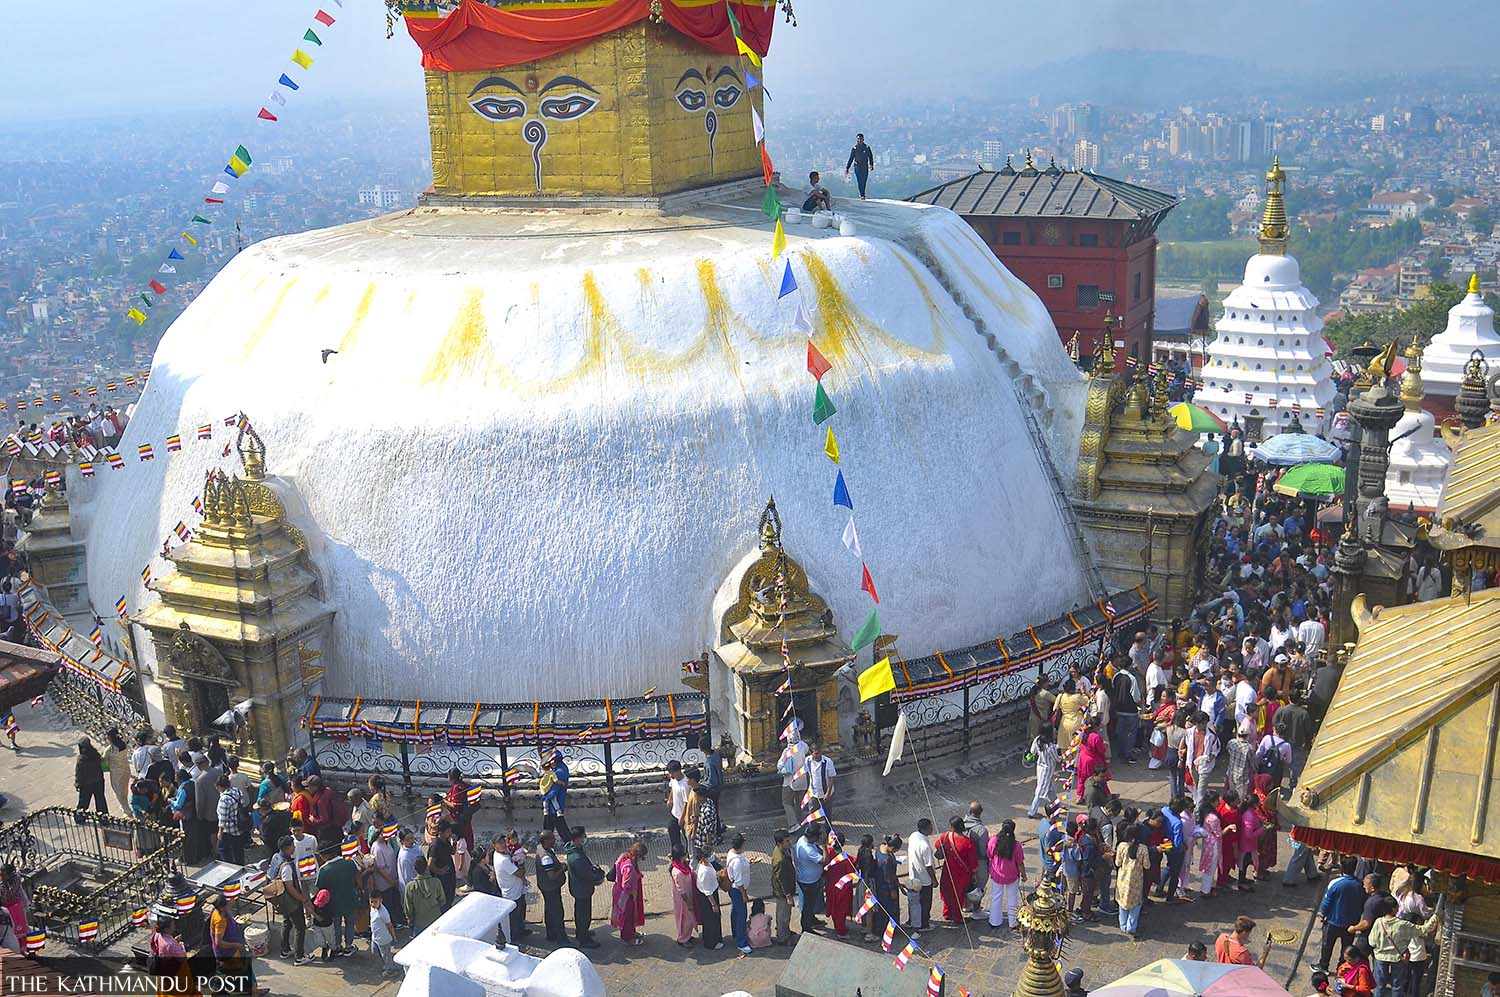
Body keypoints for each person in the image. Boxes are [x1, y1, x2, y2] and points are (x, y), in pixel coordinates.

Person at [209, 893, 266, 996]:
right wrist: (237, 946)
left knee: (222, 972)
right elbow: (219, 942)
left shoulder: (219, 912)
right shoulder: (220, 920)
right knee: (245, 971)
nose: (231, 904)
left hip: (224, 953)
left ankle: (218, 991)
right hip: (229, 952)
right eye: (229, 904)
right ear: (223, 907)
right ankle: (253, 992)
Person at [268, 835, 312, 965]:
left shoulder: (276, 857)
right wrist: (303, 899)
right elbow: (290, 887)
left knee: (287, 922)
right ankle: (299, 956)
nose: (294, 847)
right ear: (287, 848)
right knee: (300, 927)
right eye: (293, 846)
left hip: (281, 899)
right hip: (290, 901)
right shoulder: (286, 866)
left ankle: (285, 949)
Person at [1317, 857, 1366, 974]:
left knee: (1327, 945)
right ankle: (1342, 967)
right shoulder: (1360, 885)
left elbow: (1327, 901)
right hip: (1351, 923)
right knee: (1346, 947)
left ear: (1341, 868)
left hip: (1333, 921)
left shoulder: (1335, 883)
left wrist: (1322, 914)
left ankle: (1324, 966)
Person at [564, 825, 606, 948]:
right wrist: (598, 873)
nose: (585, 838)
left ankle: (581, 932)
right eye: (583, 836)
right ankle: (584, 939)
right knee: (584, 915)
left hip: (578, 888)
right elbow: (588, 875)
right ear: (577, 838)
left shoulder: (574, 849)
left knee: (580, 912)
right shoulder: (577, 858)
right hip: (582, 889)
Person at [315, 845, 359, 958]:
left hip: (334, 905)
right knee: (350, 924)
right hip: (350, 900)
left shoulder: (324, 870)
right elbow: (357, 879)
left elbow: (320, 889)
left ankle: (338, 947)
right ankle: (349, 946)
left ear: (324, 855)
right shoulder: (350, 862)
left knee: (337, 926)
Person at [935, 816, 977, 924]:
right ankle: (957, 917)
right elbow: (973, 862)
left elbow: (937, 845)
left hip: (948, 871)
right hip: (962, 875)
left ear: (952, 827)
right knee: (959, 895)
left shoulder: (945, 836)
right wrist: (974, 874)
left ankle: (947, 913)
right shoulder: (968, 842)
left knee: (947, 892)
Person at [986, 819, 1025, 931]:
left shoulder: (994, 840)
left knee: (996, 897)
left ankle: (995, 921)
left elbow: (989, 854)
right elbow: (1020, 863)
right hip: (1012, 875)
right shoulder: (1016, 845)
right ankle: (1012, 922)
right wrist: (1024, 875)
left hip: (997, 873)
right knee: (1012, 898)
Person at [494, 830, 529, 943]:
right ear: (494, 845)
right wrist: (522, 864)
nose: (503, 844)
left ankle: (521, 931)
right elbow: (519, 873)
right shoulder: (503, 860)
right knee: (514, 919)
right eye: (499, 843)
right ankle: (515, 941)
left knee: (520, 915)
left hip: (517, 890)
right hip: (512, 894)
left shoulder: (503, 853)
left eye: (503, 841)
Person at [610, 840, 647, 946]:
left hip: (620, 892)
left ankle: (632, 932)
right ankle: (627, 938)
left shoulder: (624, 856)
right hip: (626, 896)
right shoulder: (629, 867)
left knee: (630, 915)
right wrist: (633, 893)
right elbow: (625, 885)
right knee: (627, 917)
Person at [535, 829, 567, 944]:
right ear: (546, 841)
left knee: (549, 910)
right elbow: (552, 876)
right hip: (551, 887)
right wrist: (562, 868)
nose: (554, 840)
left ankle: (551, 934)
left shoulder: (540, 848)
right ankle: (561, 938)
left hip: (544, 886)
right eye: (552, 838)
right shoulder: (546, 857)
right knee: (557, 912)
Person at [905, 818, 936, 936]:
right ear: (926, 828)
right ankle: (923, 924)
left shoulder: (913, 836)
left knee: (913, 902)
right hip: (924, 880)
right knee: (925, 903)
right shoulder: (925, 845)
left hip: (914, 877)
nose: (932, 829)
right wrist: (934, 880)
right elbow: (928, 866)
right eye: (930, 827)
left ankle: (911, 920)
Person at [402, 857, 446, 939]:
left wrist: (410, 919)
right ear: (426, 867)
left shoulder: (410, 887)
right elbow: (442, 901)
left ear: (415, 869)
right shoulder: (436, 882)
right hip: (436, 919)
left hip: (419, 923)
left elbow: (408, 908)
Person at [794, 824, 826, 933]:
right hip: (809, 881)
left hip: (805, 877)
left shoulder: (802, 840)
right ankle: (806, 927)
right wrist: (824, 845)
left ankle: (811, 920)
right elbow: (825, 860)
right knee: (808, 905)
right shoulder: (808, 850)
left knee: (810, 904)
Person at [1115, 829, 1146, 938]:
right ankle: (1131, 927)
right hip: (1136, 881)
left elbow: (1117, 862)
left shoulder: (1121, 846)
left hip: (1123, 880)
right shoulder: (1143, 848)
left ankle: (1123, 925)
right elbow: (1147, 865)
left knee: (1122, 902)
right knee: (1136, 904)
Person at [823, 832, 856, 938]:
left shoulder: (828, 854)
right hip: (843, 889)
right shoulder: (847, 860)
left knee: (834, 910)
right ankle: (840, 932)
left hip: (830, 887)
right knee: (842, 911)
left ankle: (838, 927)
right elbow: (853, 874)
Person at [778, 725, 810, 829]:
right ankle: (799, 821)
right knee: (799, 802)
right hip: (802, 781)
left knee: (786, 802)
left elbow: (779, 765)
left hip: (789, 782)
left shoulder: (787, 752)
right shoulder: (802, 746)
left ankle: (793, 823)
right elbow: (807, 748)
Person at [726, 834, 753, 954]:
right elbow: (738, 881)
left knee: (735, 911)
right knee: (742, 914)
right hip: (737, 890)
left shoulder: (732, 853)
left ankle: (736, 933)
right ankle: (741, 942)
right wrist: (744, 895)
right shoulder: (736, 861)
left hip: (734, 890)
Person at [769, 829, 796, 946]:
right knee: (784, 915)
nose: (790, 843)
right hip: (783, 891)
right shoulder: (781, 859)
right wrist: (788, 895)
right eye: (787, 841)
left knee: (782, 913)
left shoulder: (780, 851)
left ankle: (783, 931)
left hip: (781, 890)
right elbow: (782, 880)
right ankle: (783, 937)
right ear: (780, 843)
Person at [668, 843, 698, 947]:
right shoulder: (677, 872)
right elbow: (681, 891)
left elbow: (690, 872)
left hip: (688, 895)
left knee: (689, 919)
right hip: (683, 900)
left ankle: (687, 935)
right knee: (685, 919)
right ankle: (683, 939)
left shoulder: (684, 865)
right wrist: (688, 903)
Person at [1027, 725, 1060, 818]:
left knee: (1049, 788)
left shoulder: (1037, 740)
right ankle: (1032, 811)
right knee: (1040, 790)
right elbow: (1057, 759)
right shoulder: (1051, 746)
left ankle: (1057, 805)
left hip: (1040, 766)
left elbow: (1032, 751)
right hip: (1048, 769)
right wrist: (1064, 756)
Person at [694, 848, 724, 951]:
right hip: (708, 898)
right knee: (710, 920)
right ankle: (711, 942)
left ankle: (715, 938)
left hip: (712, 892)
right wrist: (714, 904)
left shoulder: (706, 864)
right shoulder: (704, 872)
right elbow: (707, 891)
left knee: (714, 919)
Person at [215, 773, 246, 865]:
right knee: (238, 851)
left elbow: (223, 819)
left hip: (229, 830)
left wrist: (220, 833)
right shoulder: (237, 791)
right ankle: (241, 865)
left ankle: (230, 867)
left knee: (224, 850)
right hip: (239, 825)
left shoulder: (224, 799)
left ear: (220, 786)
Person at [427, 819, 457, 906]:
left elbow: (452, 852)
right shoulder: (435, 846)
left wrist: (454, 843)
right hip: (442, 878)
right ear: (440, 832)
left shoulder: (446, 841)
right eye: (448, 831)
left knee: (451, 895)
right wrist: (440, 871)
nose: (450, 833)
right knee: (445, 899)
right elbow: (430, 865)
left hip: (450, 874)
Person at [366, 892, 396, 978]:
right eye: (371, 901)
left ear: (381, 901)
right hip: (375, 937)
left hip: (384, 939)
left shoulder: (383, 913)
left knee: (386, 955)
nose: (373, 904)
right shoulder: (372, 908)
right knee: (374, 952)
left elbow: (390, 925)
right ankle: (384, 966)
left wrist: (393, 936)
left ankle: (390, 970)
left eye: (375, 902)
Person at [541, 752, 570, 840]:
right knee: (555, 828)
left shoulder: (559, 772)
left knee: (554, 829)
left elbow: (554, 790)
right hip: (553, 806)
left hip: (554, 805)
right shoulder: (559, 769)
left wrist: (545, 796)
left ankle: (570, 846)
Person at [75, 739, 108, 814]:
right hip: (99, 781)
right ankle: (104, 818)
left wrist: (78, 784)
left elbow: (79, 774)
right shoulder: (96, 754)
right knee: (100, 801)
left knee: (83, 802)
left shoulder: (81, 759)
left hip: (86, 784)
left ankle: (80, 817)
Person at [806, 741, 836, 819]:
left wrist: (828, 793)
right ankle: (813, 829)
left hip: (826, 793)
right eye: (816, 754)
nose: (818, 756)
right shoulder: (807, 761)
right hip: (813, 793)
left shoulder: (828, 762)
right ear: (811, 753)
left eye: (819, 753)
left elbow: (831, 777)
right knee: (811, 813)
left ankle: (828, 830)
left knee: (827, 813)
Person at [665, 760, 689, 853]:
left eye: (672, 773)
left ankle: (687, 854)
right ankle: (676, 853)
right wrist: (670, 799)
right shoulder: (673, 779)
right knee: (672, 831)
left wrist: (682, 818)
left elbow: (686, 803)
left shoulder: (685, 785)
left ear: (678, 771)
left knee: (687, 836)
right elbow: (672, 788)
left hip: (684, 815)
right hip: (675, 812)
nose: (671, 775)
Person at [844, 133, 875, 199]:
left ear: (863, 139)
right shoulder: (854, 148)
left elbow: (870, 156)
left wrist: (871, 165)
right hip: (857, 166)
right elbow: (851, 158)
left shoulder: (866, 147)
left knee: (864, 180)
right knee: (859, 180)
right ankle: (862, 194)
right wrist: (847, 168)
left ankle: (863, 193)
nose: (859, 140)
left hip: (865, 166)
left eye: (860, 139)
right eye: (858, 139)